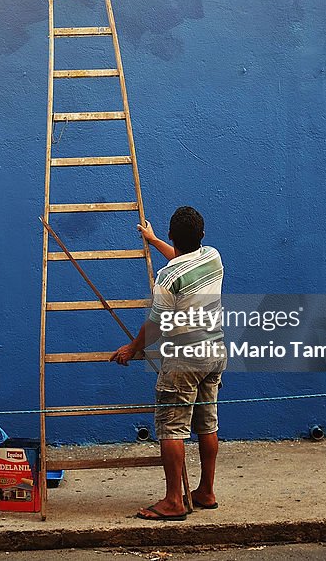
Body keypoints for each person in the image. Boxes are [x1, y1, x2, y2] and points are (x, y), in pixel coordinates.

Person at [110, 206, 226, 521]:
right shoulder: (213, 257)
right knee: (207, 424)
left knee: (172, 427)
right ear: (202, 235)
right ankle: (206, 491)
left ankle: (174, 500)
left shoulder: (168, 277)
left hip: (185, 359)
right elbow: (181, 259)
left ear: (174, 236)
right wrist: (153, 240)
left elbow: (157, 325)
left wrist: (132, 348)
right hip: (214, 351)